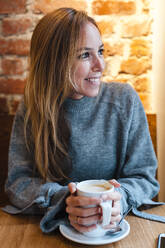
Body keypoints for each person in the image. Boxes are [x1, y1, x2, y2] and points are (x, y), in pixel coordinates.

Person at [3, 7, 164, 234]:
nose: (100, 65)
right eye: (85, 55)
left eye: (100, 51)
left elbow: (146, 180)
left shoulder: (124, 100)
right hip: (52, 234)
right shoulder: (32, 106)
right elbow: (17, 183)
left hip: (116, 230)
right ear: (55, 62)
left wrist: (122, 197)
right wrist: (63, 199)